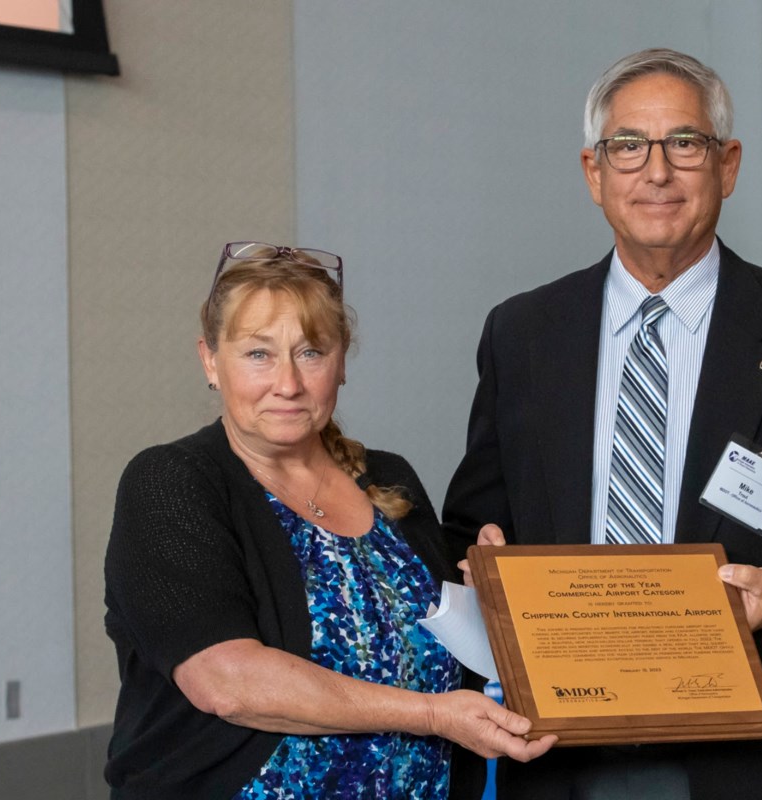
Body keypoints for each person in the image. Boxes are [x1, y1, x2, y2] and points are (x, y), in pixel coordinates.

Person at [443, 49, 762, 798]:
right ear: (594, 172)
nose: (657, 172)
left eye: (685, 143)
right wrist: (483, 558)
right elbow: (473, 523)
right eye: (629, 147)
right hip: (565, 749)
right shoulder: (522, 333)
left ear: (728, 165)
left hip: (760, 757)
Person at [104, 242, 554, 800]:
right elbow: (228, 683)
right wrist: (432, 715)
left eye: (311, 352)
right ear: (209, 360)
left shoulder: (389, 479)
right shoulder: (172, 483)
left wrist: (489, 583)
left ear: (341, 362)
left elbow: (443, 644)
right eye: (258, 354)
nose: (288, 383)